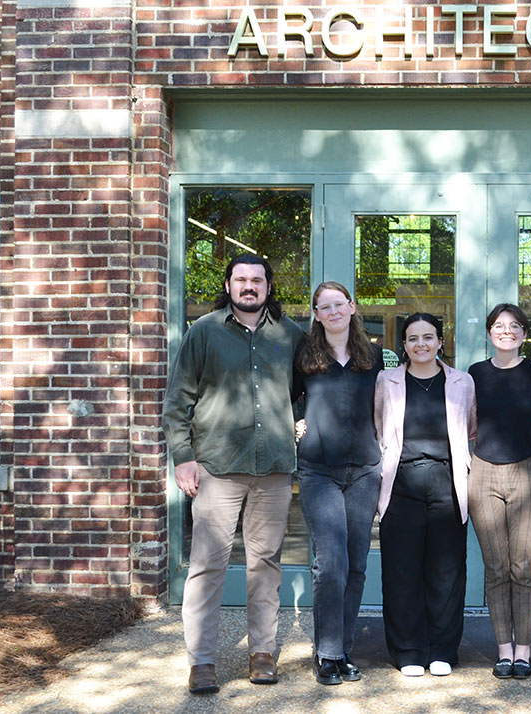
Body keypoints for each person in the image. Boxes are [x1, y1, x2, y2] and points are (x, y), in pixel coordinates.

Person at [163, 254, 306, 695]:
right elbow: (177, 400)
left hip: (274, 470)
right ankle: (201, 661)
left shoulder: (291, 335)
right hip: (218, 467)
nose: (249, 286)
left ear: (268, 286)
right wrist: (183, 457)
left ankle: (262, 653)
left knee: (265, 563)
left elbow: (307, 389)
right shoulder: (203, 331)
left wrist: (295, 421)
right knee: (208, 566)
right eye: (241, 279)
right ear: (228, 284)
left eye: (257, 280)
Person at [374, 312, 476, 677]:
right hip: (401, 484)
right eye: (413, 338)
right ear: (403, 345)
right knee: (401, 572)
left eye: (428, 337)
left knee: (446, 573)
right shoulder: (387, 380)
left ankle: (442, 650)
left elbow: (471, 428)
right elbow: (379, 426)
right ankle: (408, 651)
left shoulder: (462, 382)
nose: (421, 344)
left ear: (440, 342)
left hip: (448, 484)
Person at [294, 282, 384, 686]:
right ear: (316, 314)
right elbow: (284, 397)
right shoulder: (305, 356)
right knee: (331, 562)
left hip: (365, 470)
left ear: (352, 307)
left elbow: (387, 405)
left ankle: (343, 650)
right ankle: (326, 652)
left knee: (357, 564)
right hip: (319, 470)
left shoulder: (374, 356)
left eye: (338, 304)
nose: (332, 312)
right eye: (323, 307)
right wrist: (294, 421)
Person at [467, 304, 531, 680]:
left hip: (527, 474)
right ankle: (503, 650)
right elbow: (466, 422)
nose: (506, 331)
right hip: (483, 472)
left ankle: (524, 651)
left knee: (524, 566)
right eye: (499, 326)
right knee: (496, 567)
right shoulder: (475, 374)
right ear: (489, 333)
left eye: (514, 325)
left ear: (524, 333)